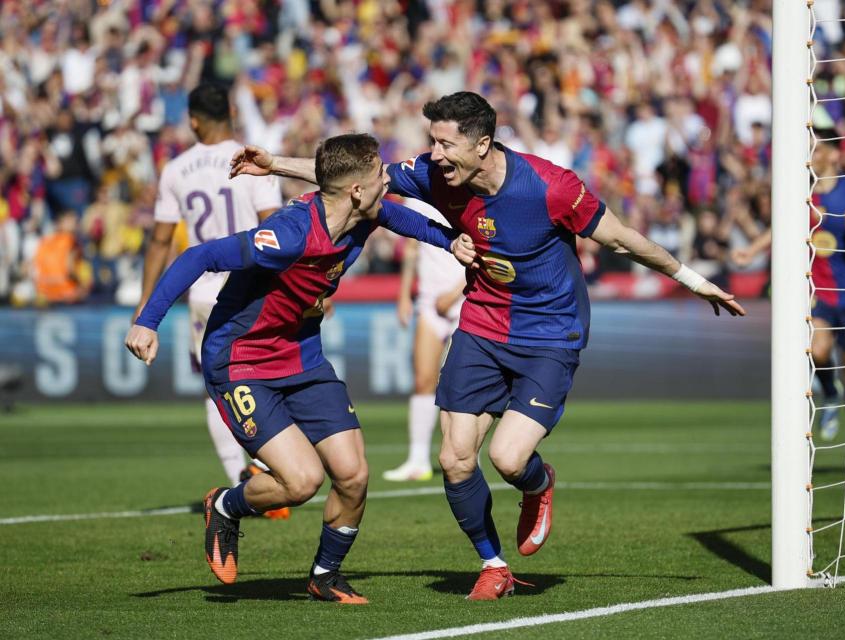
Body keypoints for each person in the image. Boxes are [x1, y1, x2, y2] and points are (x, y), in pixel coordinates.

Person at [229, 91, 745, 601]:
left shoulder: (551, 187)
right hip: (481, 325)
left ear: (483, 145)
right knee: (454, 458)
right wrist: (274, 163)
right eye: (432, 141)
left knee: (509, 459)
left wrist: (695, 281)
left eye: (446, 143)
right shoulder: (436, 174)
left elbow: (621, 239)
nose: (434, 154)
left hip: (550, 335)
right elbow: (354, 180)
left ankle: (538, 485)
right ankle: (492, 564)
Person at [126, 133, 476, 604]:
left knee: (353, 475)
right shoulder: (289, 234)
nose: (386, 180)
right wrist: (147, 322)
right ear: (356, 189)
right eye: (378, 174)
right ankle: (227, 505)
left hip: (302, 356)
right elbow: (200, 255)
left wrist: (452, 241)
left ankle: (324, 576)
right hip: (242, 360)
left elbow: (406, 219)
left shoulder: (365, 213)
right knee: (302, 482)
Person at [132, 83, 287, 513]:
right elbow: (273, 228)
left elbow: (161, 241)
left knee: (213, 389)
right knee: (263, 376)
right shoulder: (253, 159)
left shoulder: (177, 169)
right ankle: (265, 470)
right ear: (232, 109)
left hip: (202, 291)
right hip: (249, 285)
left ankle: (240, 473)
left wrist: (147, 304)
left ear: (194, 120)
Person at [734, 136, 845, 450]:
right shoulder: (806, 195)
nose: (813, 154)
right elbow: (782, 226)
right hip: (823, 294)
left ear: (835, 155)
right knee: (818, 352)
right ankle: (829, 393)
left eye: (819, 149)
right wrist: (752, 250)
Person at [384, 199, 466, 482]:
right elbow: (411, 247)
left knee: (462, 385)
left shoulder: (467, 192)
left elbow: (483, 251)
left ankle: (468, 455)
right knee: (423, 381)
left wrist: (455, 294)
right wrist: (405, 293)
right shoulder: (415, 196)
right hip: (430, 301)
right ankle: (418, 460)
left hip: (465, 300)